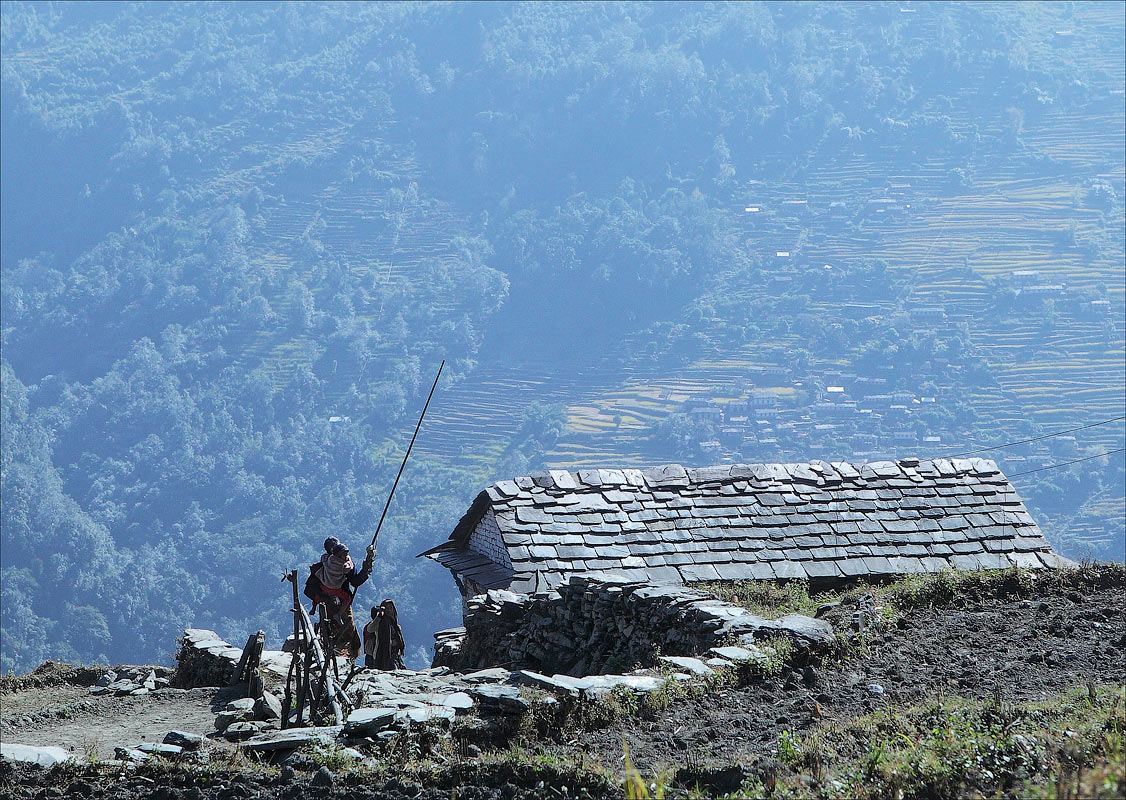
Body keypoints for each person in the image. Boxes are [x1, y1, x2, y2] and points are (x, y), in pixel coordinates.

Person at [304, 537, 374, 658]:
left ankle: (337, 658)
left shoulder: (323, 565)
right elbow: (356, 581)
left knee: (334, 631)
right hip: (337, 605)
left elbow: (312, 588)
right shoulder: (343, 566)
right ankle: (341, 658)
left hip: (327, 604)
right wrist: (368, 561)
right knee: (345, 631)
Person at [372, 599, 405, 671]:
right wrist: (379, 616)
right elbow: (370, 629)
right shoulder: (381, 622)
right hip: (384, 653)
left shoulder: (394, 623)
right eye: (387, 608)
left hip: (395, 653)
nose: (390, 610)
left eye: (391, 608)